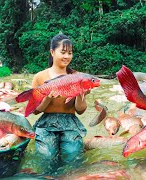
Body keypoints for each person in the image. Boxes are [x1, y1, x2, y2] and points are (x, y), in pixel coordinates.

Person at [31, 33, 89, 175]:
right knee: (46, 156)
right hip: (46, 123)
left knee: (73, 155)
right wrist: (48, 98)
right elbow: (35, 111)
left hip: (70, 122)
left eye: (70, 53)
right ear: (52, 52)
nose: (67, 56)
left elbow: (80, 110)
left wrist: (80, 95)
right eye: (63, 52)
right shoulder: (40, 77)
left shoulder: (78, 76)